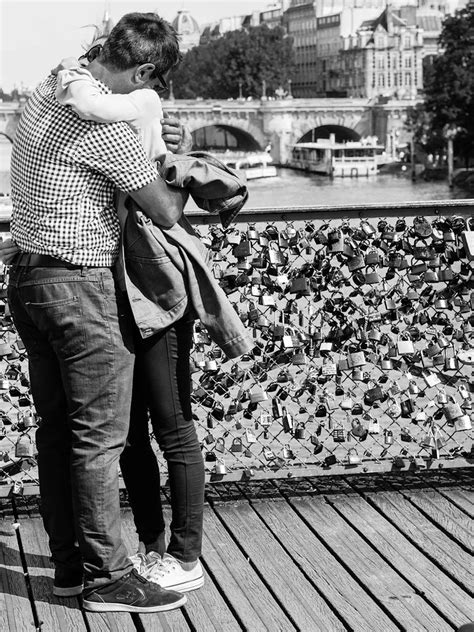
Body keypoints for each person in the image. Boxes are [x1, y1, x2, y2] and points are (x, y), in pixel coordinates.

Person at [6, 12, 191, 613]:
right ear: (141, 71)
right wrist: (183, 173)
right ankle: (109, 578)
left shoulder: (48, 85)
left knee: (57, 433)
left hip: (27, 280)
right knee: (99, 442)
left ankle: (68, 569)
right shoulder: (109, 129)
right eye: (150, 84)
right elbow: (162, 210)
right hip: (79, 288)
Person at [48, 48, 251, 594]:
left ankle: (184, 555)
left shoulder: (125, 118)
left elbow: (165, 205)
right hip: (111, 296)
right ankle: (154, 547)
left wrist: (170, 146)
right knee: (133, 434)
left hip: (154, 293)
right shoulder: (106, 116)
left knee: (172, 425)